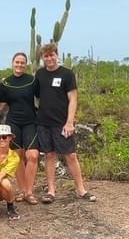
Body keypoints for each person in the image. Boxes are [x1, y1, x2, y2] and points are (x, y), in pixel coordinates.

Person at [33, 43, 96, 204]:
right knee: (49, 155)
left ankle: (81, 189)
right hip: (44, 122)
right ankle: (51, 190)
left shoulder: (67, 74)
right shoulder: (39, 74)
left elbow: (73, 99)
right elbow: (36, 96)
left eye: (51, 55)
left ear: (56, 55)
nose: (49, 58)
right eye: (46, 56)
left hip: (62, 123)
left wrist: (70, 122)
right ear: (42, 58)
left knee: (70, 155)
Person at [0, 51, 40, 204]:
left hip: (30, 121)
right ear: (12, 63)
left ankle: (29, 192)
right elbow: (2, 105)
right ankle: (23, 191)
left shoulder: (32, 81)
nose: (19, 65)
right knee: (17, 158)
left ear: (26, 64)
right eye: (17, 62)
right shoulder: (5, 83)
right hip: (13, 122)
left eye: (22, 62)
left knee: (33, 156)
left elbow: (42, 98)